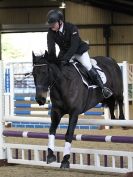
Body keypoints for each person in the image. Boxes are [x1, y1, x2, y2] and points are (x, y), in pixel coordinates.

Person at [47, 9, 112, 98]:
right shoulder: (50, 32)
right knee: (57, 68)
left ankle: (103, 88)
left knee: (87, 66)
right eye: (50, 24)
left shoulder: (71, 28)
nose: (51, 26)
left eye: (53, 24)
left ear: (60, 21)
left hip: (78, 51)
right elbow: (51, 49)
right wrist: (52, 60)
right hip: (64, 53)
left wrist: (66, 59)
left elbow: (74, 45)